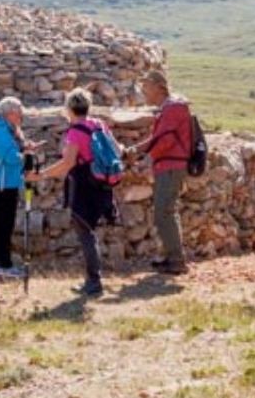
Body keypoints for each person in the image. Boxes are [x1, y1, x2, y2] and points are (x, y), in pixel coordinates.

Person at [29, 89, 117, 297]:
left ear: (69, 109)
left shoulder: (75, 132)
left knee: (85, 232)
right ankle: (93, 279)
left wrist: (40, 175)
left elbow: (67, 163)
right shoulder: (99, 124)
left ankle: (94, 281)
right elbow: (116, 150)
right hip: (102, 183)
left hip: (84, 186)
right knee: (89, 231)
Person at [125, 70, 193, 275]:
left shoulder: (172, 109)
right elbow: (158, 139)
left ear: (159, 87)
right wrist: (136, 149)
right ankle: (173, 257)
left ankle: (177, 261)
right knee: (166, 212)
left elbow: (166, 141)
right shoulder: (169, 108)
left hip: (171, 166)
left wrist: (148, 158)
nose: (143, 90)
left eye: (146, 86)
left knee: (164, 213)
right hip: (168, 166)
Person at [0, 97, 29, 280]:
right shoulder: (0, 131)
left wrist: (23, 149)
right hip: (4, 183)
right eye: (19, 113)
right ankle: (3, 264)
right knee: (4, 224)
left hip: (1, 182)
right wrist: (25, 155)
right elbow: (10, 157)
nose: (21, 116)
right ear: (9, 113)